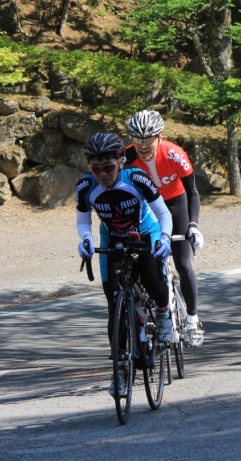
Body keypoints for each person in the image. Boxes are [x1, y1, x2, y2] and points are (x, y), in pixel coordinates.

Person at [75, 132, 173, 396]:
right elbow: (83, 220)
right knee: (114, 308)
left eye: (108, 167)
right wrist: (85, 239)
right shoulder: (85, 187)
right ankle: (119, 372)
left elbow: (163, 212)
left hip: (146, 234)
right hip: (113, 241)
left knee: (152, 280)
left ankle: (164, 314)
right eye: (96, 168)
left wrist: (164, 237)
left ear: (120, 161)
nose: (103, 174)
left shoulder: (137, 178)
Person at [125, 109, 205, 347]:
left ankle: (192, 318)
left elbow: (192, 192)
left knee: (182, 263)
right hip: (148, 209)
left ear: (159, 137)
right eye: (137, 140)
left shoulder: (174, 154)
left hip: (175, 203)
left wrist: (193, 226)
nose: (142, 146)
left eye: (147, 140)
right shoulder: (126, 158)